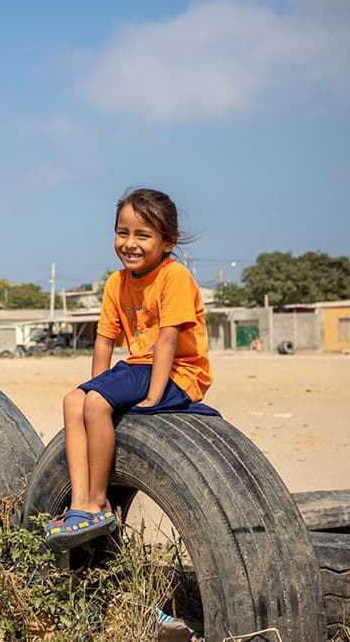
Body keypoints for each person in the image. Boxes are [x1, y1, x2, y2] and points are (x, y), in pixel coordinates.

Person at [45, 187, 214, 550]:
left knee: (95, 404)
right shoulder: (115, 283)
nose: (130, 243)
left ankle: (98, 501)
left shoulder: (174, 277)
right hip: (139, 365)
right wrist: (95, 385)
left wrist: (154, 397)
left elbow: (168, 339)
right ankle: (80, 504)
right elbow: (104, 341)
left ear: (167, 242)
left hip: (178, 372)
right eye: (123, 233)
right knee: (74, 401)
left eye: (143, 235)